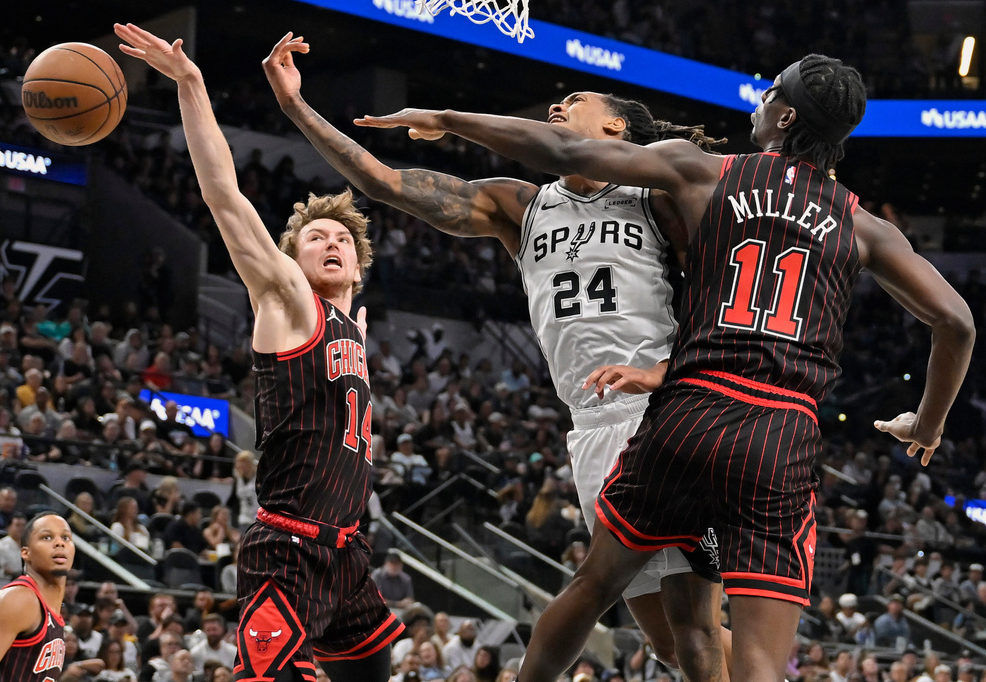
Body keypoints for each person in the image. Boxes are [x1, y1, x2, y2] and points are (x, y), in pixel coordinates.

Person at [357, 53, 976, 682]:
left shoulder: (706, 170)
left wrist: (447, 118)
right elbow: (957, 323)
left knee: (595, 586)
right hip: (780, 430)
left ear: (786, 116)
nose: (758, 100)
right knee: (749, 656)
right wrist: (927, 427)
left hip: (691, 408)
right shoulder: (863, 225)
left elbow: (564, 153)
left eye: (770, 93)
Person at [262, 32, 730, 680]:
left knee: (678, 622)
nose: (558, 110)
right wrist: (296, 108)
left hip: (664, 412)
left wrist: (667, 371)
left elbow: (726, 300)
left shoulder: (655, 198)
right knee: (672, 642)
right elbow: (385, 181)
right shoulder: (522, 205)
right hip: (592, 424)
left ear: (616, 125)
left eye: (574, 99)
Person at [114, 22, 404, 682]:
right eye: (313, 238)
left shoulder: (352, 329)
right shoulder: (288, 300)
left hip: (350, 556)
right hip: (290, 549)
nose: (329, 243)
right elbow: (224, 196)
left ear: (359, 264)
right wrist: (191, 84)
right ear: (288, 261)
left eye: (342, 240)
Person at [0, 511, 75, 682]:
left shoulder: (52, 611)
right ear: (25, 553)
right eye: (47, 537)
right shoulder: (19, 599)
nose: (59, 543)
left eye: (66, 537)